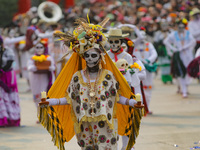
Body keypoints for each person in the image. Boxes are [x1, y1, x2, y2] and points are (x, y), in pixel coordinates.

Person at [39, 18, 143, 150]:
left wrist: (133, 103)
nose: (89, 59)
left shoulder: (108, 76)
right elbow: (71, 98)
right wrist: (50, 102)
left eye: (93, 56)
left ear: (100, 57)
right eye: (87, 56)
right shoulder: (77, 77)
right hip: (84, 125)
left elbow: (116, 97)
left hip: (106, 124)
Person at [164, 18, 196, 98]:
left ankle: (185, 86)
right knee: (181, 72)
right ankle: (184, 90)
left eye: (182, 26)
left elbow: (193, 42)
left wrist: (186, 47)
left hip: (188, 55)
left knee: (189, 71)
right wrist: (173, 48)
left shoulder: (188, 33)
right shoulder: (174, 34)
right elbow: (166, 41)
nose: (180, 28)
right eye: (179, 26)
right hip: (179, 55)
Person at [27, 38, 55, 122]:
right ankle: (40, 115)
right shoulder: (32, 58)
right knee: (36, 97)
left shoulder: (49, 57)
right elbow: (29, 67)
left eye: (41, 47)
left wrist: (48, 67)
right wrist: (35, 67)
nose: (39, 49)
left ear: (44, 48)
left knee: (43, 96)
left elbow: (53, 67)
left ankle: (45, 115)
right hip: (35, 80)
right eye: (37, 47)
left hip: (44, 79)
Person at [133, 27, 158, 114]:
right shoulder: (133, 44)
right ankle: (138, 107)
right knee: (137, 88)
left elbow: (154, 54)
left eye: (144, 35)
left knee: (148, 88)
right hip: (137, 69)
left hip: (147, 68)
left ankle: (147, 107)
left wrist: (148, 60)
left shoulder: (148, 44)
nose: (142, 37)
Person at [0, 36, 20, 127]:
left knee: (9, 96)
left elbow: (10, 61)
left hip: (8, 75)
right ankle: (3, 119)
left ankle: (12, 119)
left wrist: (3, 70)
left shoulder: (8, 50)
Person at [154, 20, 172, 84]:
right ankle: (164, 79)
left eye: (165, 25)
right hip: (162, 51)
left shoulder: (170, 32)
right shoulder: (158, 33)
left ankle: (170, 78)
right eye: (163, 25)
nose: (164, 27)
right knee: (163, 65)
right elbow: (156, 42)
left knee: (170, 64)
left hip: (169, 49)